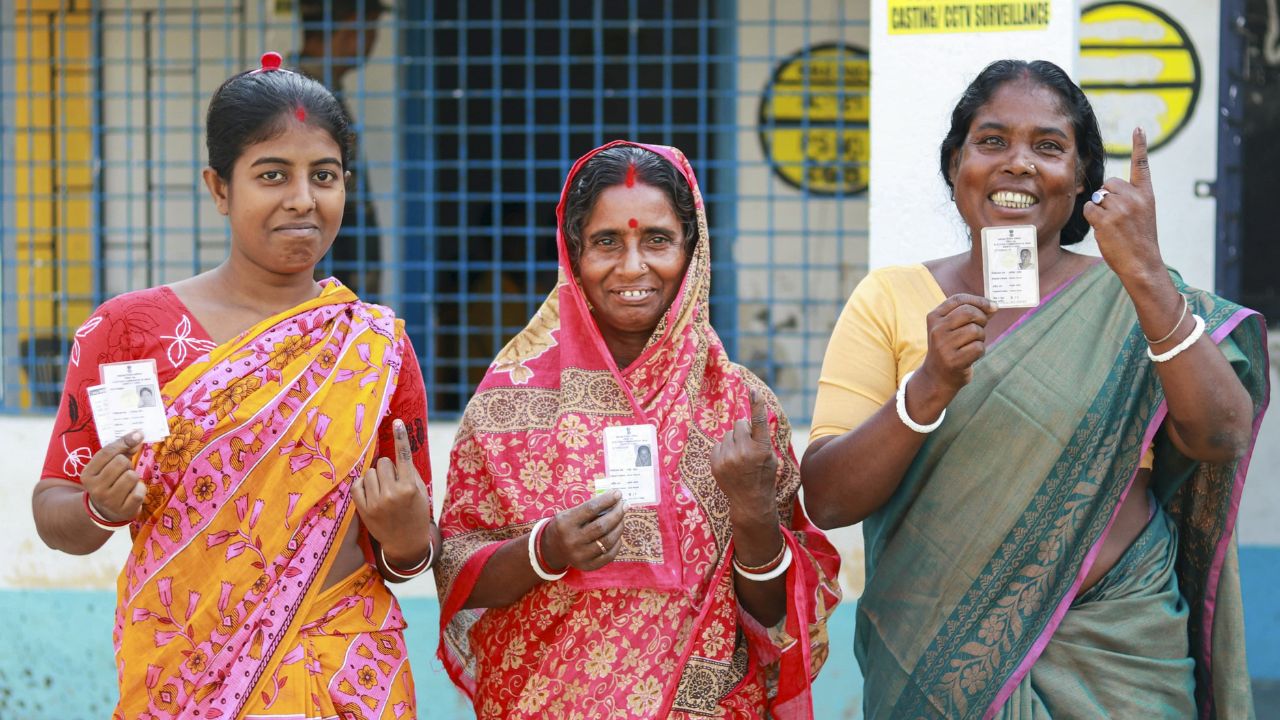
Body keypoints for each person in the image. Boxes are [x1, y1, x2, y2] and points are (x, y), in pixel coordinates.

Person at [802, 59, 1268, 719]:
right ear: (956, 162)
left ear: (1080, 180)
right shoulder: (890, 299)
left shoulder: (1135, 295)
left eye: (1049, 147)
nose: (1018, 163)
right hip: (939, 668)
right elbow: (824, 497)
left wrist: (1145, 277)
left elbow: (1222, 436)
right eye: (992, 141)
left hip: (1118, 662)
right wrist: (928, 386)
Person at [31, 53, 439, 719]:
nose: (303, 199)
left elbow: (408, 555)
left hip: (342, 677)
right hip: (184, 673)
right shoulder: (136, 332)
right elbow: (57, 512)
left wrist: (403, 537)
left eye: (325, 176)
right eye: (272, 175)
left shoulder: (376, 349)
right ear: (219, 189)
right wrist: (102, 508)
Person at [435, 141, 841, 719]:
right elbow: (455, 572)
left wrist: (752, 511)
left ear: (691, 250)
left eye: (656, 240)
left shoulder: (740, 406)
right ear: (573, 254)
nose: (632, 267)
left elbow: (780, 615)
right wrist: (545, 549)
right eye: (606, 242)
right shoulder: (505, 406)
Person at [298, 0, 386, 296]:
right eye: (371, 27)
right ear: (352, 27)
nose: (373, 38)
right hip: (322, 283)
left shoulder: (317, 90)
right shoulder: (300, 99)